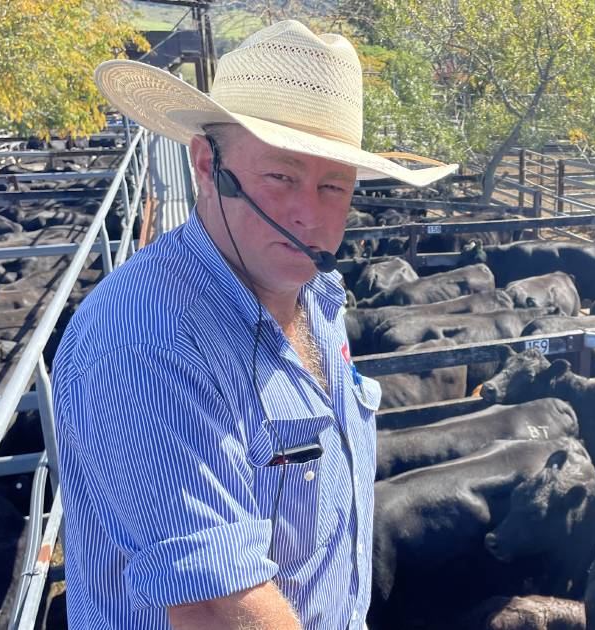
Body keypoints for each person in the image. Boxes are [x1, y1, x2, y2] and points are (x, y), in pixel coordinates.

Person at [53, 20, 455, 630]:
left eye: (333, 186)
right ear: (206, 165)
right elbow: (215, 607)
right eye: (280, 177)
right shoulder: (144, 338)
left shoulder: (317, 297)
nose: (309, 215)